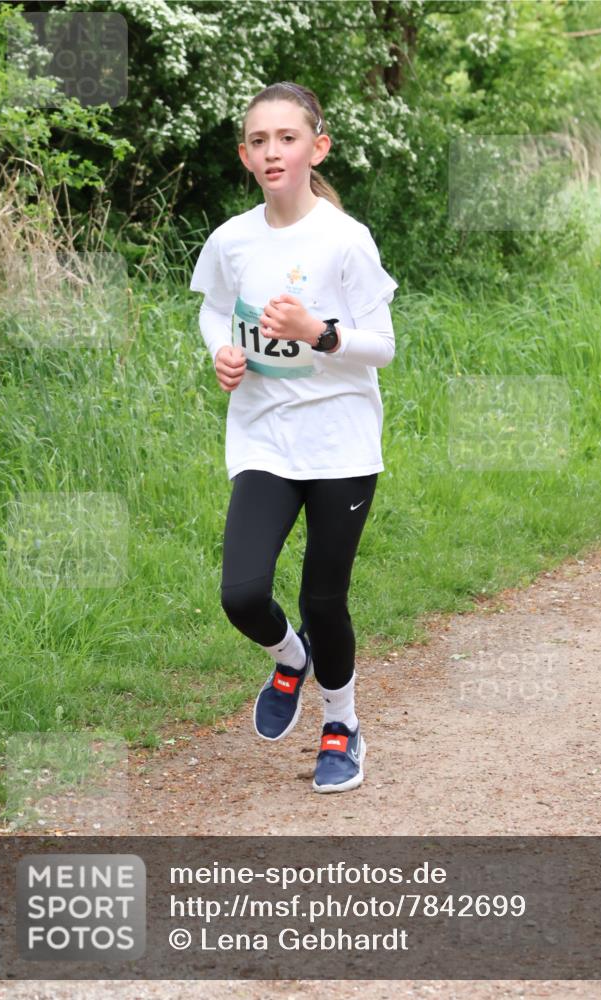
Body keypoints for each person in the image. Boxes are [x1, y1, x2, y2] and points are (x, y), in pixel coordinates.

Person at [189, 81, 398, 793]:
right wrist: (220, 351)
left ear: (317, 146)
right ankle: (290, 658)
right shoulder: (231, 239)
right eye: (258, 141)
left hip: (339, 442)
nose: (272, 151)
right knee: (242, 594)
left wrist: (320, 332)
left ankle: (341, 724)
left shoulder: (345, 240)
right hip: (263, 438)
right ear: (245, 156)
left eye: (286, 138)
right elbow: (215, 312)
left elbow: (383, 346)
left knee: (322, 599)